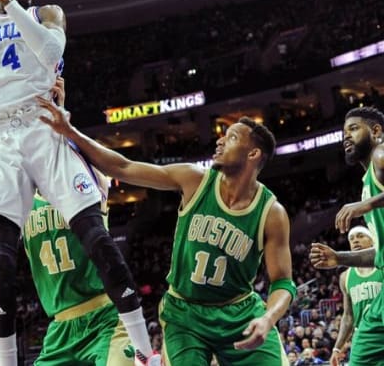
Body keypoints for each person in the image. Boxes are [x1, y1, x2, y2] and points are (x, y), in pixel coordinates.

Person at [0, 0, 151, 364]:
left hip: (45, 123)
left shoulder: (46, 14)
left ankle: (143, 350)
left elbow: (52, 51)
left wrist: (6, 0)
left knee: (94, 233)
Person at [37, 95, 295, 365]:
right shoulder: (194, 179)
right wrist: (68, 131)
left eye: (231, 138)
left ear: (253, 154)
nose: (219, 139)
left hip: (240, 313)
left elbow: (282, 282)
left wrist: (268, 318)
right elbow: (123, 167)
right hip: (185, 315)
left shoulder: (271, 213)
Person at [17, 79, 159, 366]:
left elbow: (99, 162)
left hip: (105, 318)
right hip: (59, 329)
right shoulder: (21, 198)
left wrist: (61, 116)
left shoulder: (88, 179)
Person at [309, 106, 384, 366]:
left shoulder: (381, 156)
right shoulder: (369, 182)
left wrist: (366, 205)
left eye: (353, 128)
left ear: (376, 131)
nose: (346, 137)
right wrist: (339, 257)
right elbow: (379, 254)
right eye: (344, 132)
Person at [313, 226, 383, 366]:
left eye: (360, 236)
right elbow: (348, 316)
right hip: (363, 339)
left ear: (372, 241)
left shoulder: (381, 267)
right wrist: (337, 347)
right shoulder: (345, 277)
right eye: (352, 239)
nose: (355, 241)